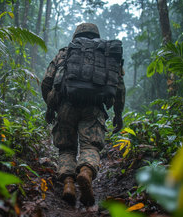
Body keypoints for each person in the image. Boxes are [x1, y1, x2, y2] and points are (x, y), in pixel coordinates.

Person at [41, 23, 125, 206]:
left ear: (75, 36)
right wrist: (118, 115)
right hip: (94, 108)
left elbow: (48, 81)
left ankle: (69, 184)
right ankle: (86, 172)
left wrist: (50, 107)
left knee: (66, 148)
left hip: (66, 106)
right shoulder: (107, 55)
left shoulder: (65, 52)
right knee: (91, 146)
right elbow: (119, 88)